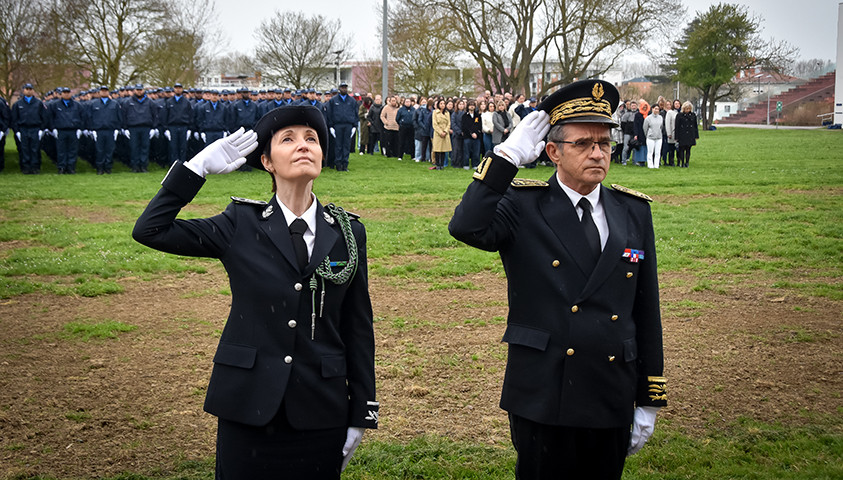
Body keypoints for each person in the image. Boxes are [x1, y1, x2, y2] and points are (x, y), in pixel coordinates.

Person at [133, 105, 378, 479]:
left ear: (323, 157)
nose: (303, 146)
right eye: (289, 139)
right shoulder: (240, 224)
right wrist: (196, 169)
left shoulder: (347, 232)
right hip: (247, 406)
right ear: (267, 161)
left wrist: (362, 412)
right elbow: (150, 230)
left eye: (312, 139)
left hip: (320, 409)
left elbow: (358, 327)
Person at [449, 79, 667, 480]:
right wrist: (506, 158)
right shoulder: (523, 205)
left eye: (604, 143)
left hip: (611, 387)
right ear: (552, 151)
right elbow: (466, 226)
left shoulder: (633, 210)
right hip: (545, 390)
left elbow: (645, 307)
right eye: (583, 144)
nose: (597, 153)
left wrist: (649, 395)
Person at [11, 83, 48, 174]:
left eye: (30, 89)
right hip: (23, 129)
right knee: (24, 149)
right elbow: (14, 119)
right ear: (23, 90)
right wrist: (17, 131)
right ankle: (25, 167)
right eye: (27, 89)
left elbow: (44, 117)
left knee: (35, 149)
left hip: (35, 128)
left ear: (33, 91)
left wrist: (41, 129)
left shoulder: (39, 103)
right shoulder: (18, 104)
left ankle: (35, 167)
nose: (29, 90)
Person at [86, 86, 124, 174]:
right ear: (99, 92)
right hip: (99, 130)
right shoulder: (94, 104)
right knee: (99, 150)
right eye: (102, 91)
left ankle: (108, 168)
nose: (104, 93)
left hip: (111, 130)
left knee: (109, 150)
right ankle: (100, 168)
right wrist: (92, 129)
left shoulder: (114, 104)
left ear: (108, 92)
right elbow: (89, 117)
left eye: (105, 91)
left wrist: (117, 129)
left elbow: (119, 117)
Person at [123, 84, 159, 172]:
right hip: (133, 128)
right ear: (134, 90)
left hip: (146, 128)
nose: (139, 91)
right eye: (137, 90)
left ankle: (143, 166)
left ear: (143, 90)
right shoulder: (128, 102)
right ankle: (135, 166)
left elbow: (155, 115)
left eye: (140, 90)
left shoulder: (150, 102)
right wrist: (125, 128)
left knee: (145, 148)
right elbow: (124, 115)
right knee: (134, 148)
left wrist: (154, 128)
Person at [326, 82, 359, 171]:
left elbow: (356, 113)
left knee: (346, 145)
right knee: (338, 146)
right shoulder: (333, 100)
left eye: (345, 87)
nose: (344, 89)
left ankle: (345, 164)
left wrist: (354, 126)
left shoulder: (352, 101)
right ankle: (338, 164)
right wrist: (331, 126)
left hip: (348, 125)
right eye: (342, 87)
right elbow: (329, 113)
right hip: (337, 125)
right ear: (339, 89)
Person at [162, 83, 193, 166]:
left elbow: (190, 115)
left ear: (182, 89)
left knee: (183, 147)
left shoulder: (186, 102)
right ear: (174, 89)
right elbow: (165, 116)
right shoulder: (169, 102)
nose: (178, 89)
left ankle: (182, 165)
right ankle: (174, 165)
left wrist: (189, 129)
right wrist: (166, 129)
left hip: (184, 126)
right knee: (173, 147)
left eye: (179, 88)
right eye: (176, 88)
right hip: (172, 127)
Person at [675, 101, 698, 168]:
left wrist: (696, 135)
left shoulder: (693, 115)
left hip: (690, 134)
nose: (688, 110)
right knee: (681, 149)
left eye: (689, 108)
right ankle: (682, 162)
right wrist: (676, 137)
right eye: (686, 108)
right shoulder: (679, 115)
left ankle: (687, 162)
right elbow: (677, 126)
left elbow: (695, 126)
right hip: (682, 134)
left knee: (688, 149)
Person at [461, 100, 482, 169]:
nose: (472, 106)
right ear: (468, 106)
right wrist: (471, 134)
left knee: (476, 152)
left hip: (477, 137)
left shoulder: (478, 116)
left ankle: (475, 165)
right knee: (466, 152)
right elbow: (464, 127)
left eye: (473, 105)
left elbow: (479, 126)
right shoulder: (464, 116)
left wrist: (476, 133)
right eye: (470, 105)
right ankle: (466, 164)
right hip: (467, 137)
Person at [431, 99, 451, 170]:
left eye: (443, 103)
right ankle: (438, 164)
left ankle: (442, 165)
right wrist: (440, 132)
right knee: (437, 149)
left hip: (445, 133)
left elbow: (449, 123)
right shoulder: (435, 112)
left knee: (443, 150)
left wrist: (445, 131)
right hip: (438, 133)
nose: (442, 105)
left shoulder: (447, 113)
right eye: (441, 103)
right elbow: (434, 124)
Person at [642, 105, 663, 169]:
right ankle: (650, 165)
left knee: (657, 152)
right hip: (650, 138)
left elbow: (661, 127)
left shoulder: (660, 117)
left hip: (659, 137)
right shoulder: (648, 118)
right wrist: (648, 135)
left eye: (657, 109)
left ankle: (656, 165)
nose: (656, 110)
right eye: (655, 109)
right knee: (650, 152)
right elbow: (645, 128)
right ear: (652, 109)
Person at [663, 100, 680, 167]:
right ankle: (671, 162)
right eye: (676, 103)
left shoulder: (681, 112)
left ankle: (679, 162)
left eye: (678, 103)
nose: (677, 105)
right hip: (672, 134)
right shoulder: (670, 112)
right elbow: (667, 123)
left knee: (679, 149)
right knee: (671, 149)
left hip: (679, 134)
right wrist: (669, 133)